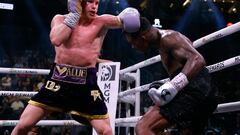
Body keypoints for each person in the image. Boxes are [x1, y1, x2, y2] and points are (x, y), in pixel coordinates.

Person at [11, 0, 140, 134]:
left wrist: (131, 15)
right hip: (58, 80)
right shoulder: (60, 19)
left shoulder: (102, 21)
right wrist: (74, 15)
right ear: (79, 2)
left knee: (106, 131)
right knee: (23, 125)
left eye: (97, 3)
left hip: (86, 84)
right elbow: (56, 39)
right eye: (90, 2)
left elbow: (130, 20)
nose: (94, 7)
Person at [125, 17, 219, 134]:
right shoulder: (162, 42)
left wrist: (173, 86)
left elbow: (197, 59)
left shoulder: (168, 38)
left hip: (196, 90)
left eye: (132, 43)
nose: (133, 47)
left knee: (143, 127)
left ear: (142, 37)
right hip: (199, 90)